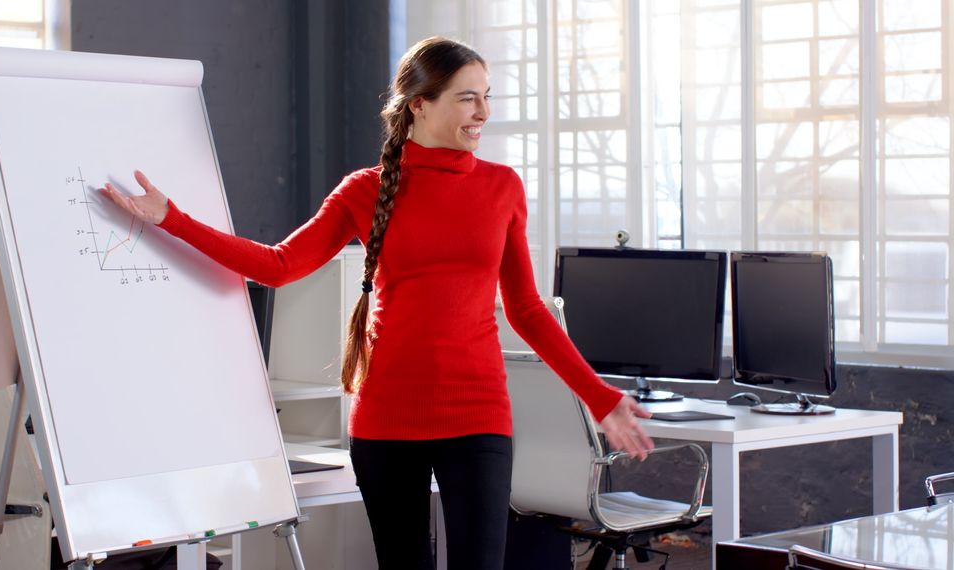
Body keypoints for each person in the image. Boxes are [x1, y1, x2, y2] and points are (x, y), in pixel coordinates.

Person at [101, 36, 653, 570]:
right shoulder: (363, 189)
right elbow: (278, 265)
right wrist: (170, 219)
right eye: (468, 97)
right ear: (420, 104)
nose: (484, 110)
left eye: (488, 96)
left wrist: (601, 400)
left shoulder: (502, 187)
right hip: (388, 421)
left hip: (478, 417)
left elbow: (528, 310)